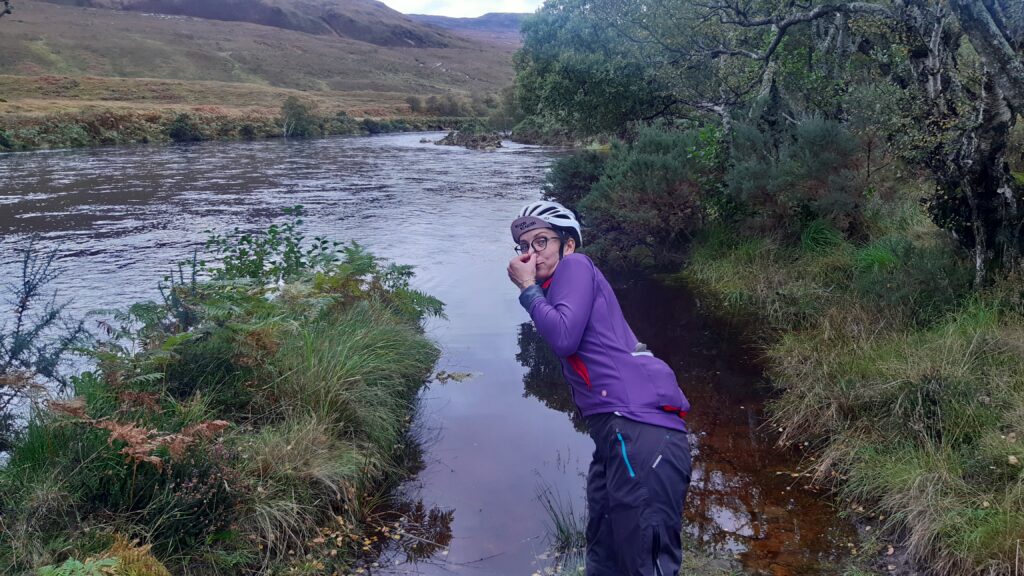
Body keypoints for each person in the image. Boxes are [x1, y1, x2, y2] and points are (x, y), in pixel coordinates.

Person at [507, 200, 692, 576]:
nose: (530, 253)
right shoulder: (557, 290)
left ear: (568, 244)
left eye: (541, 241)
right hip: (615, 433)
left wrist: (528, 290)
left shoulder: (576, 266)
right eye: (523, 247)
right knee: (605, 554)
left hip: (639, 429)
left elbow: (563, 338)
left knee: (644, 559)